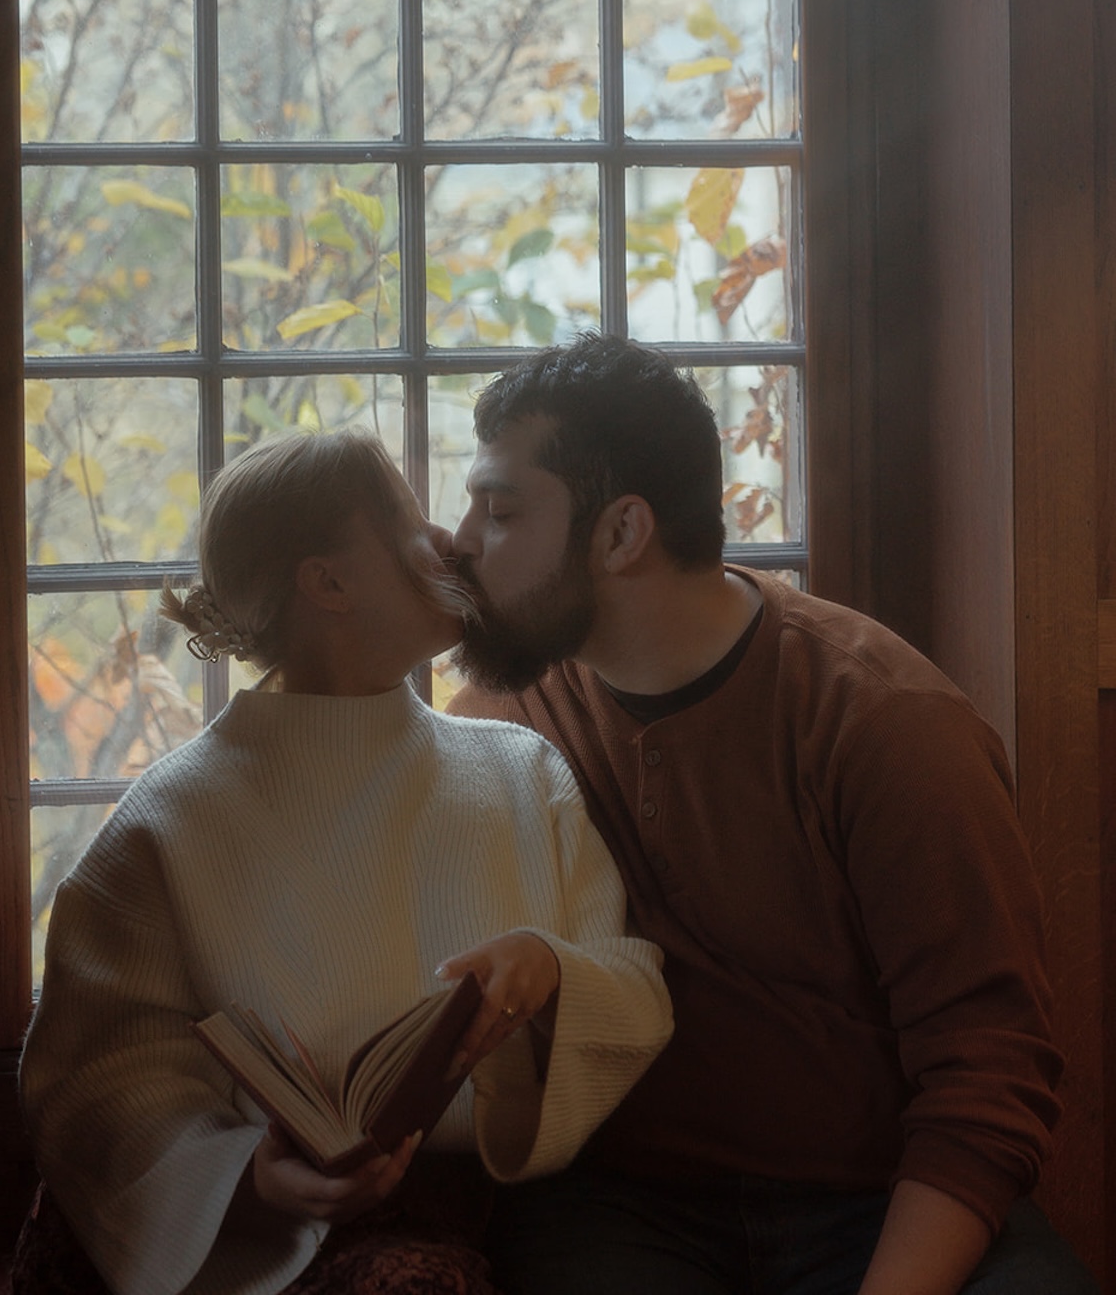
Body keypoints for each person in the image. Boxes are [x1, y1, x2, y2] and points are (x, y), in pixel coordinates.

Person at [446, 333, 1097, 1295]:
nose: (460, 540)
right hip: (621, 1205)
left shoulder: (883, 721)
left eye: (499, 512)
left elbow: (987, 1072)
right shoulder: (505, 718)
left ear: (622, 534)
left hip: (874, 1198)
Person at [18, 428, 672, 1295]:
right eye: (407, 517)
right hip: (271, 1240)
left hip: (518, 1217)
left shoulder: (522, 769)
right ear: (327, 582)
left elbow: (635, 984)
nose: (447, 541)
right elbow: (100, 1080)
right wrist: (254, 1180)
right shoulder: (168, 820)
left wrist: (552, 972)